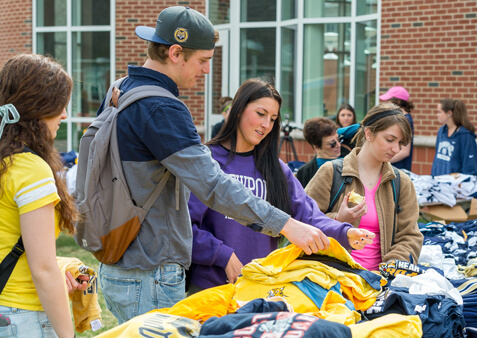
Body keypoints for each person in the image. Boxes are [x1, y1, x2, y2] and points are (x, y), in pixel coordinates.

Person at [96, 6, 334, 324]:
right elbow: (213, 184)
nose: (207, 71)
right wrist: (287, 224)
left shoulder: (121, 90)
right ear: (176, 52)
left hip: (119, 260)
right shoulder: (162, 108)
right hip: (149, 272)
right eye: (204, 60)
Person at [187, 79, 374, 294]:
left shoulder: (277, 170)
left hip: (261, 289)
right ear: (238, 110)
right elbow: (185, 228)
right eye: (261, 114)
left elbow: (308, 216)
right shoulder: (208, 161)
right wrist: (223, 255)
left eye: (273, 119)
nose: (266, 124)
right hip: (209, 289)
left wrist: (345, 232)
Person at [0, 54, 88, 337]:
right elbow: (42, 270)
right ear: (39, 106)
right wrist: (67, 335)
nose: (64, 115)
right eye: (60, 105)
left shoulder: (7, 161)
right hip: (21, 316)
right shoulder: (31, 169)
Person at [305, 103, 423, 271]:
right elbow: (303, 222)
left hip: (380, 285)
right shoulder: (330, 172)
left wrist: (389, 269)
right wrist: (339, 220)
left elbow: (410, 236)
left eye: (401, 143)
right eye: (390, 140)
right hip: (331, 281)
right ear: (369, 133)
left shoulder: (402, 182)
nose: (396, 149)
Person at [431, 98, 477, 177]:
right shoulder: (441, 132)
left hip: (454, 187)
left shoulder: (466, 136)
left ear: (449, 113)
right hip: (438, 184)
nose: (437, 115)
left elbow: (470, 168)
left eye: (439, 112)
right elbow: (437, 160)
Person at [296, 117, 341, 187]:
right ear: (316, 147)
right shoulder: (305, 173)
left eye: (339, 139)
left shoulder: (348, 159)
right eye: (332, 144)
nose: (338, 145)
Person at [380, 86, 415, 171]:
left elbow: (405, 152)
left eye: (388, 100)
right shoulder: (400, 118)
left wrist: (383, 162)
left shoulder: (405, 120)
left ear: (398, 101)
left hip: (399, 169)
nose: (385, 103)